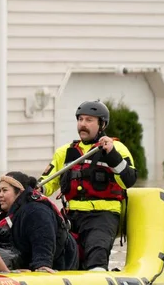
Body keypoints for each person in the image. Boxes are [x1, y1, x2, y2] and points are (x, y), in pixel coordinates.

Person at [39, 100, 137, 271]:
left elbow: (128, 180)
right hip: (71, 217)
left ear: (102, 124)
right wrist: (37, 190)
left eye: (89, 120)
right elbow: (48, 184)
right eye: (80, 119)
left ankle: (98, 273)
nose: (83, 124)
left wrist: (112, 155)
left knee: (96, 254)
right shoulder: (65, 152)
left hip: (103, 215)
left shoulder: (117, 148)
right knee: (60, 257)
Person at [0, 171, 79, 274]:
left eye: (4, 190)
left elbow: (43, 237)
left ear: (20, 192)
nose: (0, 195)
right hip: (24, 261)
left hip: (61, 263)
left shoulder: (35, 211)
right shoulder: (1, 214)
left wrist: (42, 264)